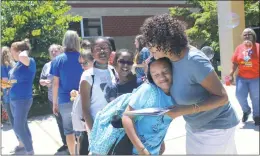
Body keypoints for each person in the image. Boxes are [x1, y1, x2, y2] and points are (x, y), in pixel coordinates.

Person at [141, 14, 239, 154]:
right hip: (195, 126)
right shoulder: (169, 59)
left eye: (152, 42)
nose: (148, 47)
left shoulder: (194, 60)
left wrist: (183, 110)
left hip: (216, 127)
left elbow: (222, 97)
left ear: (165, 41)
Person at [89, 57, 175, 155]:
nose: (162, 77)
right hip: (131, 150)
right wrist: (141, 149)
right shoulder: (148, 90)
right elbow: (127, 117)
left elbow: (159, 123)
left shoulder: (175, 96)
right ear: (151, 77)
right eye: (156, 75)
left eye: (165, 71)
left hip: (152, 151)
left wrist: (161, 143)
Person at [50, 30, 83, 155]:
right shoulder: (83, 57)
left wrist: (54, 103)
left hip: (64, 100)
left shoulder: (58, 60)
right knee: (81, 130)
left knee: (69, 131)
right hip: (81, 98)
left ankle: (73, 154)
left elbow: (55, 83)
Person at [9, 39, 36, 155]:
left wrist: (22, 51)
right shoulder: (18, 65)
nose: (11, 54)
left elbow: (24, 56)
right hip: (13, 99)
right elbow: (14, 81)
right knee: (22, 125)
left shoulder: (29, 61)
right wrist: (4, 84)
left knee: (18, 127)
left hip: (23, 99)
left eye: (12, 51)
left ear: (20, 52)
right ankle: (29, 144)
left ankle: (30, 151)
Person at [39, 44, 68, 153]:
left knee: (68, 122)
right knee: (59, 122)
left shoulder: (64, 64)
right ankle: (65, 143)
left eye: (56, 51)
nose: (53, 53)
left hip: (65, 98)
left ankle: (75, 143)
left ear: (61, 52)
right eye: (52, 51)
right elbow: (41, 80)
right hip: (52, 99)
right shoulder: (47, 65)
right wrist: (44, 82)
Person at [229, 28, 259, 125]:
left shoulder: (258, 47)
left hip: (256, 78)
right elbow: (235, 62)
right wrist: (231, 74)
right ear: (242, 36)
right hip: (242, 78)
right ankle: (246, 111)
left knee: (256, 97)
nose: (247, 36)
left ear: (253, 36)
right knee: (239, 95)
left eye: (249, 34)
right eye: (245, 34)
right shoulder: (239, 48)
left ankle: (257, 116)